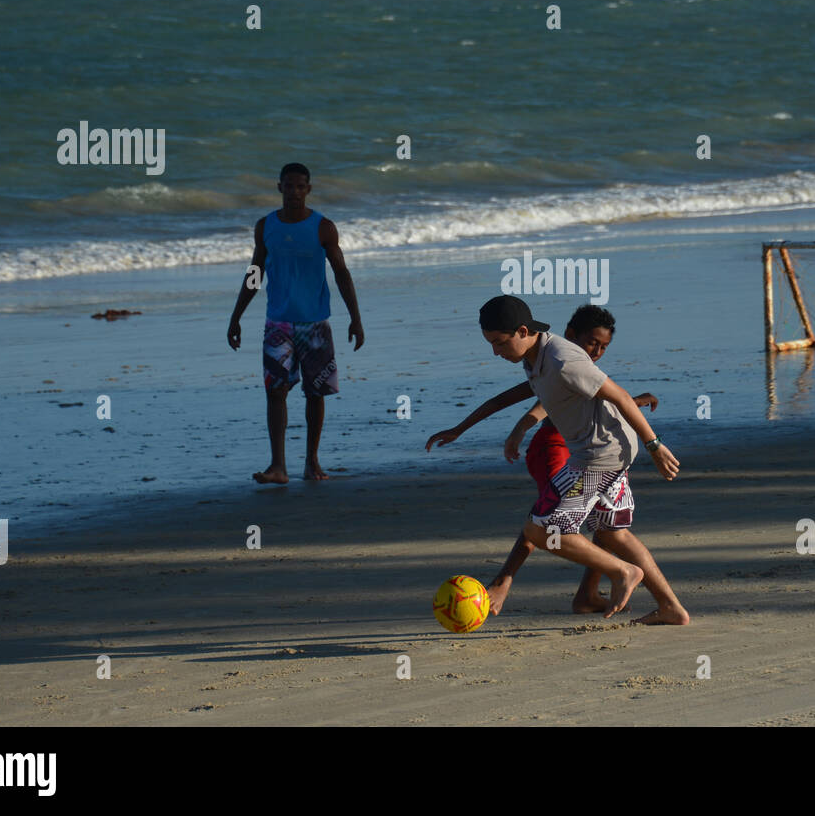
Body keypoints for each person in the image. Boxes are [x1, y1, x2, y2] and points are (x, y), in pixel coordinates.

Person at [425, 296, 689, 624]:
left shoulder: (563, 358)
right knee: (612, 535)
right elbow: (507, 397)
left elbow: (619, 396)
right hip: (607, 452)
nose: (495, 351)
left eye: (499, 342)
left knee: (542, 529)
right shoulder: (535, 355)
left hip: (598, 456)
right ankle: (670, 607)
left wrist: (656, 445)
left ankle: (623, 572)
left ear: (522, 331)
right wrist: (460, 429)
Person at [491, 305, 659, 616]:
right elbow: (532, 404)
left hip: (592, 452)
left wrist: (632, 403)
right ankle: (504, 580)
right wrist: (517, 430)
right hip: (556, 449)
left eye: (604, 347)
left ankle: (591, 594)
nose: (596, 352)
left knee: (604, 526)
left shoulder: (566, 362)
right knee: (545, 520)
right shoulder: (560, 361)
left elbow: (599, 402)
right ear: (571, 337)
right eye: (592, 342)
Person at [227, 163, 364, 483]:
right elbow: (254, 273)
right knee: (275, 392)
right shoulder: (266, 227)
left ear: (309, 189)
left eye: (300, 186)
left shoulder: (323, 227)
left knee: (315, 394)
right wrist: (236, 317)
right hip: (278, 324)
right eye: (288, 186)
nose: (294, 192)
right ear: (279, 188)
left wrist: (356, 319)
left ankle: (312, 462)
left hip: (315, 323)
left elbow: (342, 274)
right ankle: (278, 466)